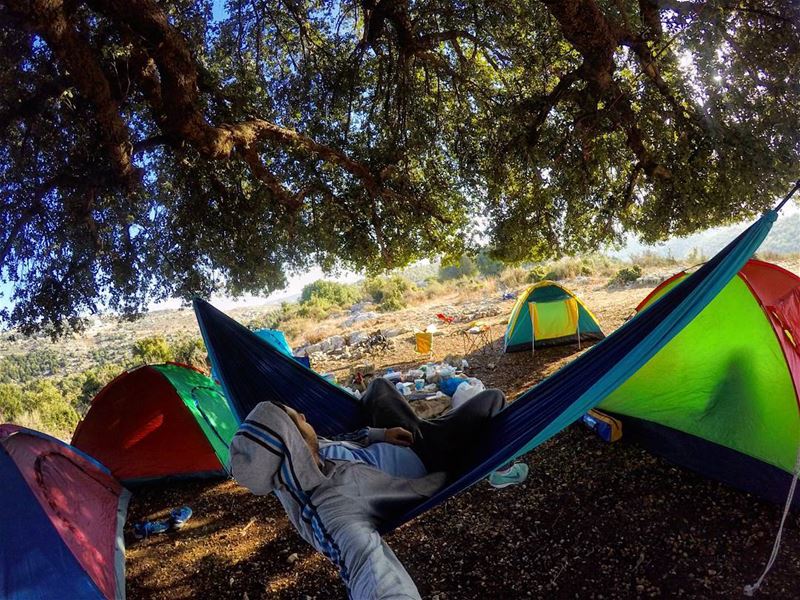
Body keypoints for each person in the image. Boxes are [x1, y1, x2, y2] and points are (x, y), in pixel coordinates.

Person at [229, 378, 527, 599]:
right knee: (492, 399)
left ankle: (418, 419)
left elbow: (340, 439)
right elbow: (364, 564)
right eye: (298, 420)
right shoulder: (331, 505)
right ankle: (500, 471)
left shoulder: (304, 455)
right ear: (292, 444)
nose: (306, 417)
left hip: (404, 436)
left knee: (378, 388)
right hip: (430, 456)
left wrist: (379, 434)